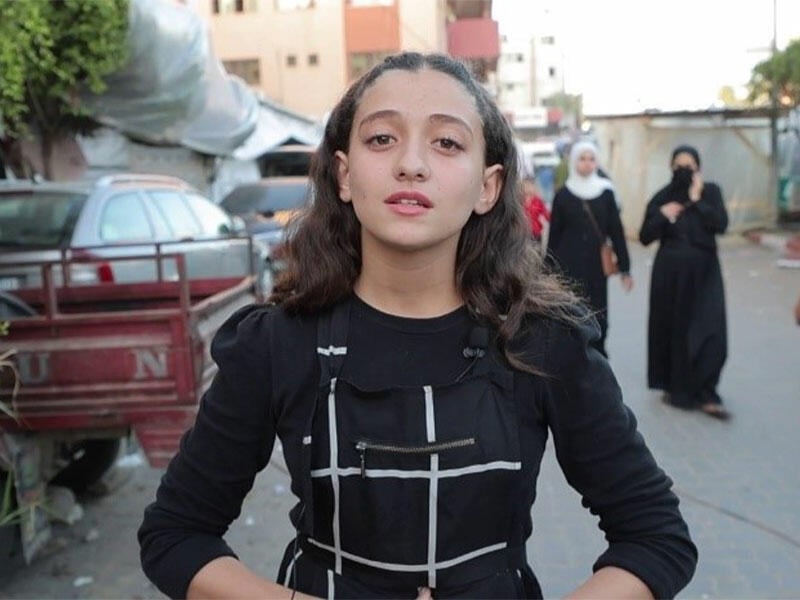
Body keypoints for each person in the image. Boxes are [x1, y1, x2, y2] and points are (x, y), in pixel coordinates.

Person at [138, 52, 697, 600]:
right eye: (381, 138)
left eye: (447, 142)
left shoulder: (542, 342)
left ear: (488, 186)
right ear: (344, 174)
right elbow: (175, 535)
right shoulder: (276, 343)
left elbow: (656, 538)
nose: (411, 163)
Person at [639, 144, 730, 420]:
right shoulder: (663, 197)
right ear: (671, 168)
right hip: (670, 274)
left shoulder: (711, 192)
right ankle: (677, 388)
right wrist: (663, 215)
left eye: (689, 167)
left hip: (705, 274)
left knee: (711, 331)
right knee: (674, 330)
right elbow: (645, 236)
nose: (684, 171)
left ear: (699, 169)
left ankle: (707, 391)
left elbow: (721, 224)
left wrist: (697, 198)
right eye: (678, 166)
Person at [546, 140, 633, 358]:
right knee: (570, 312)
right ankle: (573, 357)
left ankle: (597, 356)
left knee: (598, 312)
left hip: (596, 266)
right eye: (582, 159)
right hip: (568, 265)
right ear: (574, 161)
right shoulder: (563, 195)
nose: (587, 164)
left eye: (591, 159)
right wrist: (547, 271)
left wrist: (625, 269)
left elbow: (616, 231)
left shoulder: (605, 193)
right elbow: (554, 236)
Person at [522, 176, 550, 244]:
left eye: (530, 185)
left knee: (535, 252)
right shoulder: (519, 200)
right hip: (522, 234)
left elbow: (547, 215)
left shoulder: (538, 201)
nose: (528, 188)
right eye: (526, 185)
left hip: (535, 233)